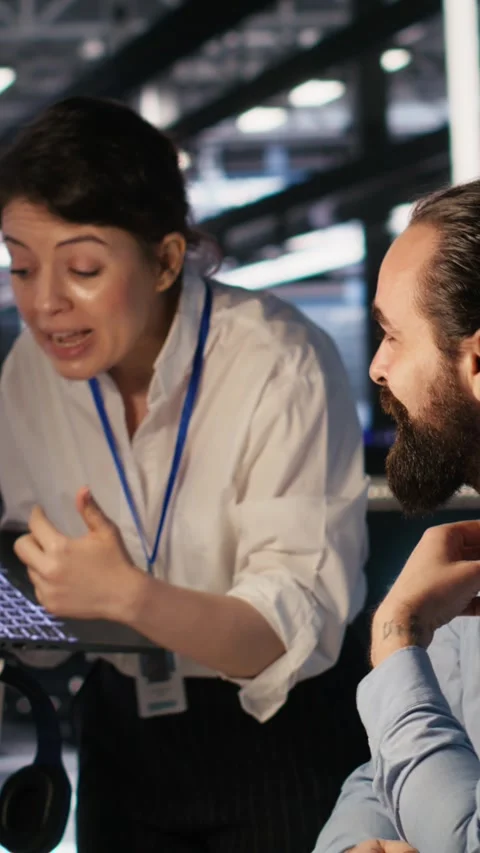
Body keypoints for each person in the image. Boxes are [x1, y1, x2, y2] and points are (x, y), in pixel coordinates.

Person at [0, 96, 370, 853]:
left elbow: (283, 632)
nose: (43, 304)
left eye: (82, 268)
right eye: (21, 265)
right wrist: (24, 608)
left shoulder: (277, 361)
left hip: (278, 735)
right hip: (118, 735)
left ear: (168, 258)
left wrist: (128, 596)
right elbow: (40, 623)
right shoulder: (26, 378)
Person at [314, 178, 480, 853]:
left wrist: (395, 635)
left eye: (392, 336)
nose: (378, 368)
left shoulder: (428, 594)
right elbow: (393, 760)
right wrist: (355, 846)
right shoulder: (462, 557)